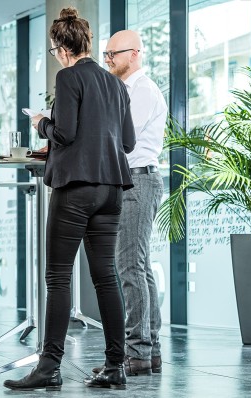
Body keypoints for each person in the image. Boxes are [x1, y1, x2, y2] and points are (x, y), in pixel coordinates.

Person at [3, 6, 136, 391]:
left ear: (62, 47)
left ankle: (49, 367)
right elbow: (126, 142)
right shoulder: (116, 84)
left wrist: (41, 122)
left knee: (58, 277)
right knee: (106, 276)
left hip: (75, 188)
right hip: (111, 189)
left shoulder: (68, 77)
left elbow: (64, 134)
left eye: (52, 50)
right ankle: (115, 365)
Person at [94, 30, 168, 376]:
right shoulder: (124, 90)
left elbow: (121, 137)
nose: (108, 60)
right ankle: (148, 349)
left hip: (138, 179)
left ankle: (137, 351)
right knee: (138, 265)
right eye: (106, 54)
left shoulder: (143, 91)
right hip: (130, 179)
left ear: (135, 54)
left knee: (129, 266)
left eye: (113, 54)